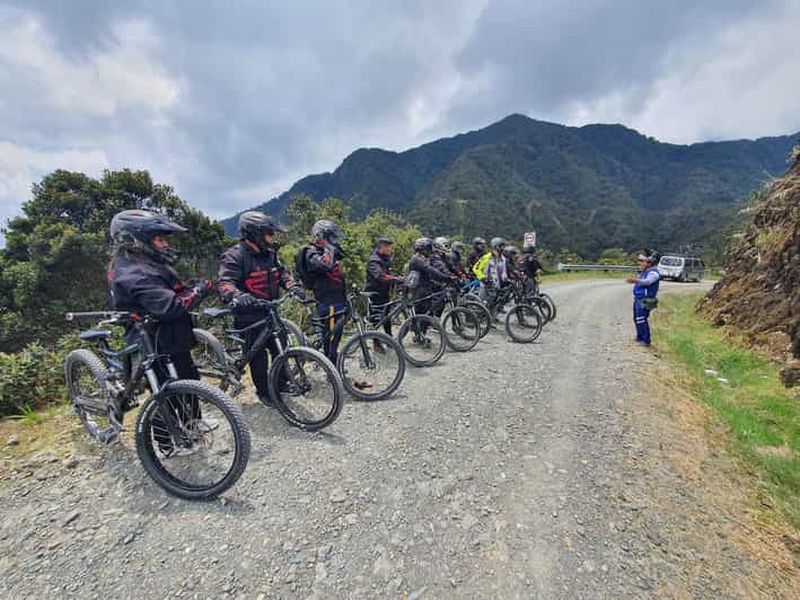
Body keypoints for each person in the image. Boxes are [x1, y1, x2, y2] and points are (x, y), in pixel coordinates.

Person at [108, 209, 213, 451]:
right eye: (159, 239)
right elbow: (170, 307)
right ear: (135, 239)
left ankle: (192, 425)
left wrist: (191, 289)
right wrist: (200, 290)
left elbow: (174, 290)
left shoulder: (148, 262)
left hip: (172, 336)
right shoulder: (131, 272)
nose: (165, 244)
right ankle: (166, 445)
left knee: (188, 379)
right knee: (162, 392)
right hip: (151, 340)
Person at [217, 211, 301, 404]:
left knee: (281, 347)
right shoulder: (234, 255)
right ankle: (263, 392)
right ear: (255, 233)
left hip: (270, 311)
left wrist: (292, 286)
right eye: (269, 234)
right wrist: (237, 295)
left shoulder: (269, 254)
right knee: (258, 356)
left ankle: (281, 383)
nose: (273, 238)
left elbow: (282, 274)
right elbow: (224, 283)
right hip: (248, 316)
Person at [301, 219, 347, 363]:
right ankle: (331, 366)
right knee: (330, 335)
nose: (333, 240)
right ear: (320, 235)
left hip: (338, 297)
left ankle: (332, 361)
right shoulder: (311, 253)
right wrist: (328, 248)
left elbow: (342, 255)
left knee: (337, 334)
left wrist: (332, 248)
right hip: (327, 300)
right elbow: (325, 265)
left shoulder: (327, 251)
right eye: (331, 237)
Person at [364, 237, 403, 337]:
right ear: (382, 247)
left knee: (386, 317)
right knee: (376, 319)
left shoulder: (385, 259)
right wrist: (396, 279)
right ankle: (375, 341)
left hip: (383, 292)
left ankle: (389, 338)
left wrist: (398, 280)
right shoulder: (374, 261)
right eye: (389, 247)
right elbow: (381, 276)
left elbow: (389, 274)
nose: (390, 250)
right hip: (375, 293)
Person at [408, 237, 453, 318]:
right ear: (423, 249)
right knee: (423, 315)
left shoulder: (420, 259)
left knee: (426, 314)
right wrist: (446, 278)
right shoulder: (417, 260)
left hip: (424, 288)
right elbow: (431, 270)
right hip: (420, 290)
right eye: (429, 249)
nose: (430, 251)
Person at [626, 249, 661, 346]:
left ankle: (646, 340)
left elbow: (648, 282)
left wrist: (636, 280)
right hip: (638, 299)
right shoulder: (645, 271)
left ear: (650, 262)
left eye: (642, 261)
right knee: (637, 318)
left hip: (645, 300)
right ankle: (640, 337)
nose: (640, 263)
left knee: (641, 319)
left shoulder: (653, 273)